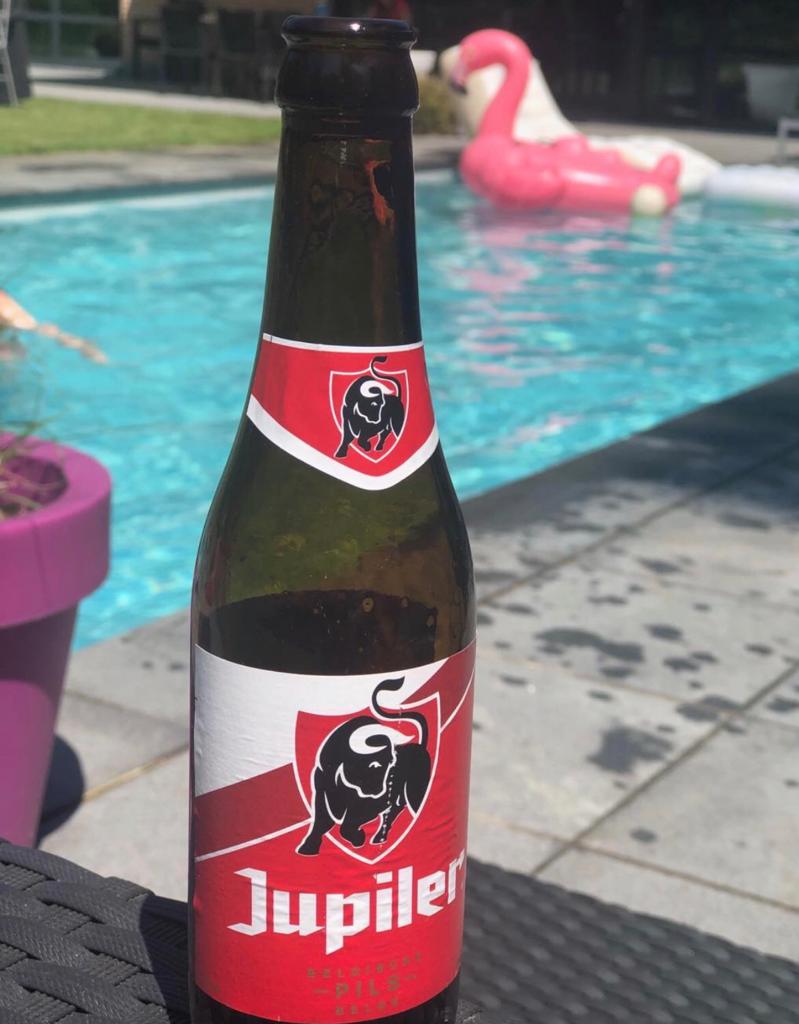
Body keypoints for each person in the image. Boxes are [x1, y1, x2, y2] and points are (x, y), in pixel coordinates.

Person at [0, 288, 107, 364]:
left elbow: (44, 330)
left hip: (9, 344)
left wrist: (81, 345)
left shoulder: (5, 309)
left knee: (10, 356)